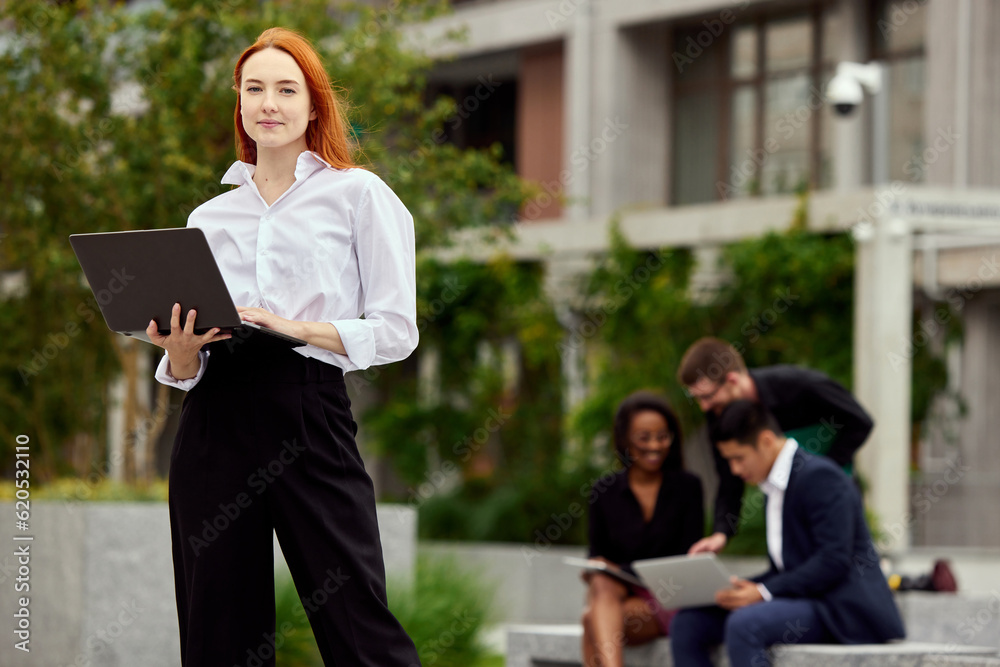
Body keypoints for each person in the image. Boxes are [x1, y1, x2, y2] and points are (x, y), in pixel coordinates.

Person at [147, 27, 421, 666]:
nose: (269, 102)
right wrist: (180, 350)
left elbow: (396, 330)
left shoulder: (358, 195)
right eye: (255, 89)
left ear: (314, 105)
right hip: (213, 420)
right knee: (218, 629)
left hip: (308, 407)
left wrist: (291, 327)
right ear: (239, 104)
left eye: (286, 89)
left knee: (357, 618)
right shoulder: (207, 220)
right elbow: (189, 365)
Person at [669, 400, 905, 667]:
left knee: (745, 624)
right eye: (729, 461)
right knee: (689, 622)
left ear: (767, 441)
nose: (735, 470)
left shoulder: (821, 477)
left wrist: (763, 591)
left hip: (839, 609)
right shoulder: (774, 484)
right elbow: (788, 567)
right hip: (801, 600)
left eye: (738, 458)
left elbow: (833, 561)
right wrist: (738, 589)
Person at [677, 337, 874, 555]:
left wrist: (823, 469)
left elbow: (860, 421)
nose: (704, 406)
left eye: (708, 396)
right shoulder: (717, 413)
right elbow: (728, 478)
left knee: (842, 558)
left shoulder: (799, 385)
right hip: (783, 503)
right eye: (697, 399)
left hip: (833, 492)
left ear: (732, 380)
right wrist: (721, 532)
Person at [581, 391, 704, 667]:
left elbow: (686, 559)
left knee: (592, 620)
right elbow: (597, 555)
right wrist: (598, 570)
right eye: (643, 437)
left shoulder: (688, 487)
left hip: (669, 601)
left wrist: (621, 571)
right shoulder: (604, 491)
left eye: (663, 436)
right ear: (625, 440)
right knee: (600, 583)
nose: (655, 446)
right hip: (618, 598)